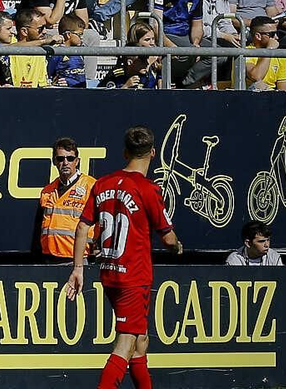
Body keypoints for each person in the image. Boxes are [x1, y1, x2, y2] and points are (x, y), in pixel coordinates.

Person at [65, 125, 183, 389]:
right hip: (133, 277)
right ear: (153, 153)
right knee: (126, 343)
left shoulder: (103, 183)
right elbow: (168, 238)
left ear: (125, 152)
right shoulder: (148, 189)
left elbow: (83, 227)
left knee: (140, 343)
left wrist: (78, 268)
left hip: (110, 273)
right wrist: (177, 246)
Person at [35, 138, 96, 262]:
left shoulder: (91, 186)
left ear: (77, 161)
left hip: (76, 259)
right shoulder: (47, 190)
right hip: (49, 257)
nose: (65, 163)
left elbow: (102, 222)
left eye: (70, 158)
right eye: (60, 159)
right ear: (54, 161)